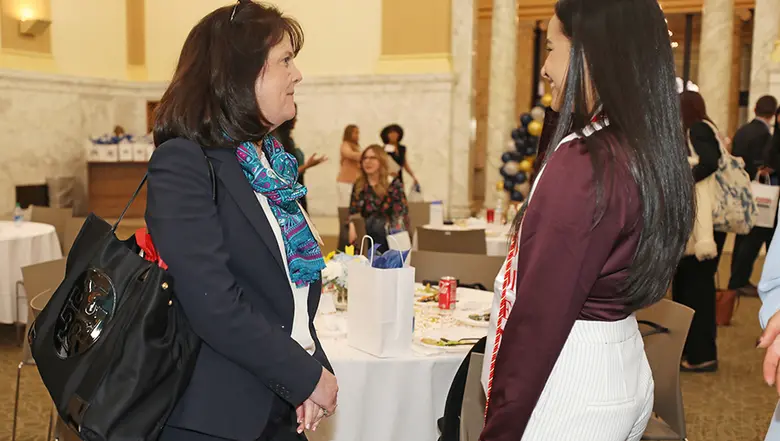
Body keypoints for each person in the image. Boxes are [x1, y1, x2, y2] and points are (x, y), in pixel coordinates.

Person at [480, 1, 694, 440]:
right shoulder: (637, 146)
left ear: (588, 56)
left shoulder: (587, 164)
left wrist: (500, 429)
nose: (544, 67)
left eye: (553, 49)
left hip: (570, 378)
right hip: (621, 357)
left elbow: (539, 319)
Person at [146, 2, 337, 440]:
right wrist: (305, 375)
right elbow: (213, 301)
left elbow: (284, 295)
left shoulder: (266, 164)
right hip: (218, 418)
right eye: (285, 61)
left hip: (278, 403)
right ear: (239, 74)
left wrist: (310, 366)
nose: (298, 74)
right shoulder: (183, 163)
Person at [672, 90, 725, 372]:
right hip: (704, 226)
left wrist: (682, 179)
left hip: (704, 229)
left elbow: (710, 162)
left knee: (697, 292)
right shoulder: (705, 127)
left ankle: (702, 355)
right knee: (693, 290)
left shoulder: (698, 128)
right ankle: (696, 351)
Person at [728, 95, 779, 297]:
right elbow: (764, 164)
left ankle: (737, 279)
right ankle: (741, 281)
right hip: (762, 195)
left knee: (744, 238)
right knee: (757, 239)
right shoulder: (765, 135)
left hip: (744, 190)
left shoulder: (742, 131)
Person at [347, 145, 409, 252]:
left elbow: (401, 211)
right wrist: (352, 225)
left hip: (388, 236)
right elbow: (353, 211)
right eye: (365, 158)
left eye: (372, 158)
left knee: (377, 226)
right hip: (365, 235)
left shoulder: (393, 184)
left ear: (381, 161)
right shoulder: (359, 185)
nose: (368, 161)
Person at [273, 108, 328, 212]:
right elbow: (284, 175)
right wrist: (307, 165)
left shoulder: (289, 140)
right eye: (295, 117)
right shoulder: (279, 142)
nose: (296, 120)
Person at [337, 124, 361, 207]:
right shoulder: (345, 144)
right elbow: (349, 154)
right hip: (345, 181)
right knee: (346, 205)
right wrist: (365, 155)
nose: (357, 135)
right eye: (355, 133)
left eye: (358, 133)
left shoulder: (356, 146)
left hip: (355, 181)